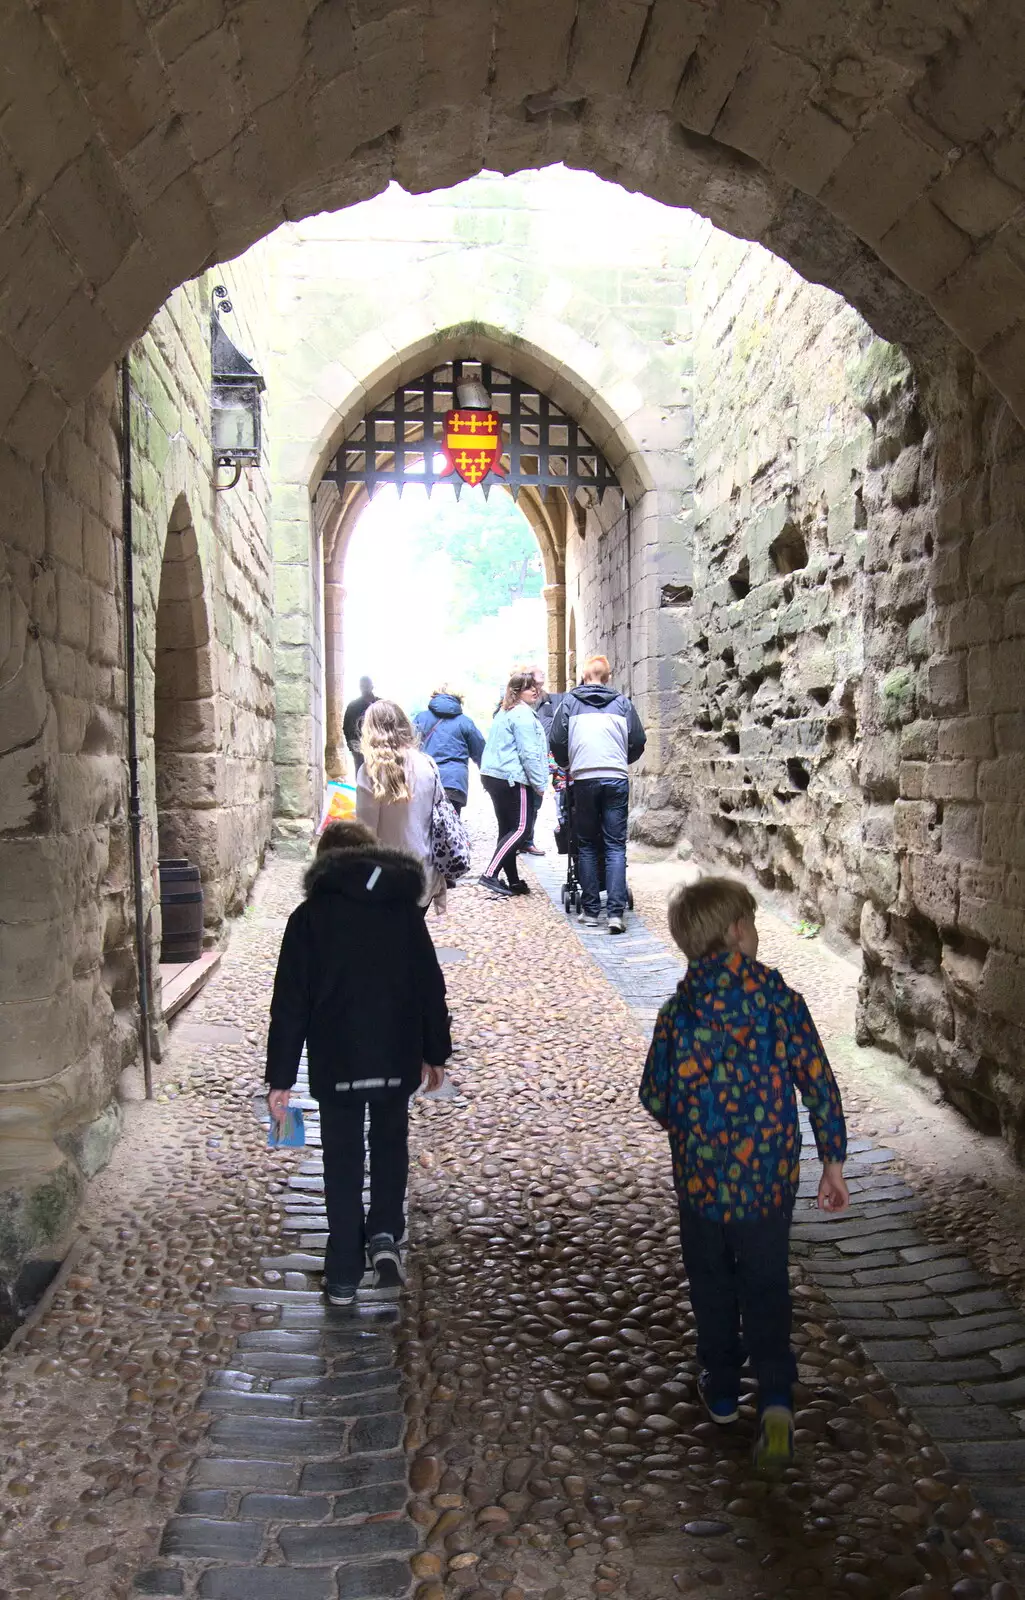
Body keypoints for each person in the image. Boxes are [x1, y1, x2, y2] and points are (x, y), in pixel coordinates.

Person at [639, 875, 849, 1474]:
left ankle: (725, 1388)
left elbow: (654, 1096)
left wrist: (695, 1125)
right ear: (736, 933)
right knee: (765, 1285)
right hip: (767, 1187)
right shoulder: (780, 1001)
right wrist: (831, 1160)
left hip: (702, 1189)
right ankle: (777, 1400)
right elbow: (818, 1084)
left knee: (711, 1283)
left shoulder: (676, 1014)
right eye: (752, 922)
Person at [266, 818, 452, 1306]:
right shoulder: (405, 914)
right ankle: (386, 1233)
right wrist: (435, 1051)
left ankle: (344, 1266)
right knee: (391, 1144)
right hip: (394, 1056)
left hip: (338, 1062)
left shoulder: (308, 919)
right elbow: (430, 986)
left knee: (343, 1159)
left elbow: (290, 1004)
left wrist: (281, 1079)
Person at [548, 653, 646, 934]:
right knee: (615, 845)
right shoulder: (622, 703)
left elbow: (556, 739)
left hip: (584, 779)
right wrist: (619, 758)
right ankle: (615, 914)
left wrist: (569, 762)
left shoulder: (570, 703)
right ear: (608, 677)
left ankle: (591, 911)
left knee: (588, 844)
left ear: (584, 676)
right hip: (615, 777)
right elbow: (638, 740)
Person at [356, 700, 446, 914]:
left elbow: (365, 833)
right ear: (405, 725)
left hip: (384, 878)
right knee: (411, 933)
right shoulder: (428, 763)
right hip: (423, 872)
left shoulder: (371, 772)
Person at [478, 670, 548, 898]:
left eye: (535, 687)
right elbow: (528, 753)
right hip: (512, 778)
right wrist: (539, 784)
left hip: (495, 776)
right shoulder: (523, 715)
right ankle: (490, 873)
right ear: (517, 692)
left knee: (508, 829)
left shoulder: (504, 712)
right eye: (529, 688)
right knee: (521, 829)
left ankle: (514, 880)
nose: (535, 691)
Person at [412, 686, 486, 814]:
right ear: (458, 699)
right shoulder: (465, 722)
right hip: (453, 783)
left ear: (434, 696)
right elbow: (481, 753)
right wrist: (487, 779)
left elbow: (409, 748)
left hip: (425, 779)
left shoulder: (420, 718)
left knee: (424, 826)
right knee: (450, 827)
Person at [516, 664, 561, 857]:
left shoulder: (548, 699)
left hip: (546, 756)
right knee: (528, 802)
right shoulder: (520, 706)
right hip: (530, 758)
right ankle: (522, 840)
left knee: (537, 803)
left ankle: (526, 839)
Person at [343, 676, 377, 775]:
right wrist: (352, 745)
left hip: (378, 747)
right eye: (362, 686)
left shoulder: (380, 704)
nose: (365, 688)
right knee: (361, 774)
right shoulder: (353, 706)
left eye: (367, 685)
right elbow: (346, 727)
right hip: (359, 747)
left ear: (372, 687)